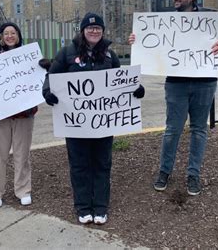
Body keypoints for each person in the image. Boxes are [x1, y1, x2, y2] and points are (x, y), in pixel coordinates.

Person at [128, 0, 218, 196]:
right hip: (176, 84)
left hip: (204, 83)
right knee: (172, 130)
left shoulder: (208, 17)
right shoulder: (165, 20)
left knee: (199, 130)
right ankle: (164, 171)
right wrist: (136, 40)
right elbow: (151, 46)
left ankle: (193, 174)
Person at [42, 12, 145, 225]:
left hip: (103, 124)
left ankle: (100, 206)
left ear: (102, 31)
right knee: (79, 165)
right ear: (82, 30)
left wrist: (136, 90)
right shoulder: (66, 53)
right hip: (75, 123)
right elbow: (50, 77)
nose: (94, 31)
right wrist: (48, 92)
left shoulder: (110, 56)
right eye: (90, 28)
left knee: (102, 164)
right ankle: (82, 207)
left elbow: (121, 83)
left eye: (98, 28)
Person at [0, 22, 38, 209]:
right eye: (6, 33)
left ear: (18, 35)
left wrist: (44, 68)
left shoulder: (29, 58)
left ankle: (23, 190)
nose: (9, 36)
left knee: (22, 155)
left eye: (13, 33)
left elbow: (37, 81)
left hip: (24, 115)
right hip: (0, 116)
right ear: (1, 37)